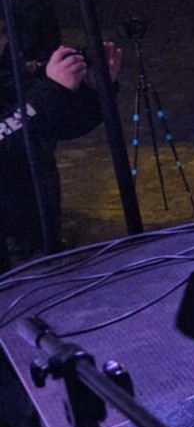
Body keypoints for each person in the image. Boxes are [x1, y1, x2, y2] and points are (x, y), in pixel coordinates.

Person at [0, 27, 123, 265]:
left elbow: (54, 126)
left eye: (4, 35)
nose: (4, 43)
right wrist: (52, 91)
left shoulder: (10, 63)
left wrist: (92, 90)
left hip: (37, 229)